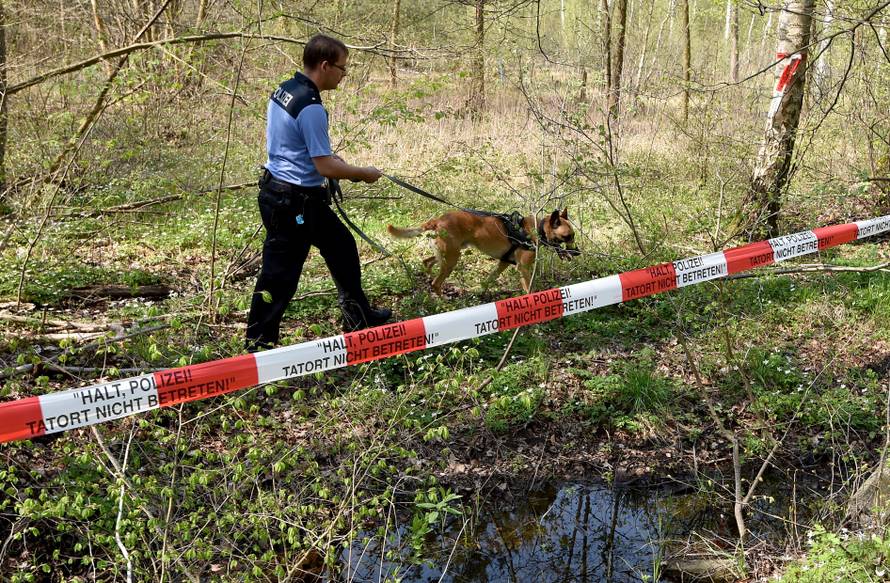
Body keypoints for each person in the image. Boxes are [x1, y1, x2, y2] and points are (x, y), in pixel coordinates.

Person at [246, 34, 391, 351]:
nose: (343, 74)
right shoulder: (311, 107)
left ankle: (358, 317)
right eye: (342, 68)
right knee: (280, 275)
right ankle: (258, 345)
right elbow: (324, 167)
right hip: (293, 204)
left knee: (341, 247)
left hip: (287, 193)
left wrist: (328, 159)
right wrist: (362, 174)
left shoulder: (286, 89)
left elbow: (297, 146)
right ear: (325, 66)